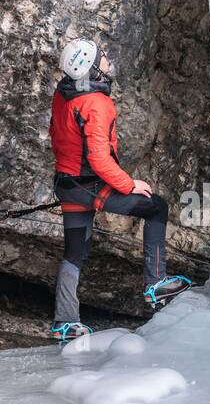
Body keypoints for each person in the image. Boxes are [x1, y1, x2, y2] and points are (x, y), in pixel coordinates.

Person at [48, 38, 191, 340]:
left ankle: (65, 321)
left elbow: (56, 135)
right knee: (156, 208)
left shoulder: (63, 96)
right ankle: (156, 284)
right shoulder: (96, 103)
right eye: (102, 56)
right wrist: (129, 184)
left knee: (75, 251)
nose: (107, 58)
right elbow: (99, 159)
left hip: (68, 184)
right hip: (90, 186)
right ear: (91, 68)